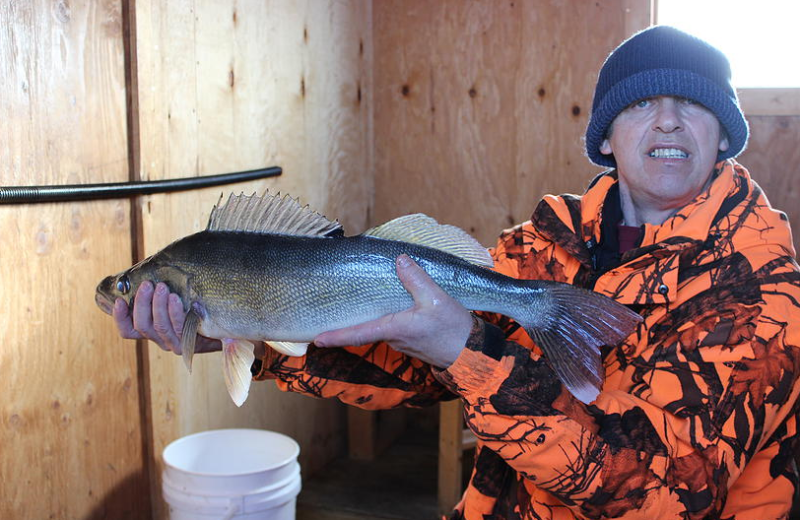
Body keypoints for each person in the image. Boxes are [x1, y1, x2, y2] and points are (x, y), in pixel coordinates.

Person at [113, 26, 800, 519]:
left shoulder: (764, 287)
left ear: (724, 132)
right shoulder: (547, 244)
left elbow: (672, 495)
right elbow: (414, 365)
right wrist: (247, 336)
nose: (669, 123)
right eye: (643, 104)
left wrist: (467, 349)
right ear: (607, 135)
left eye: (693, 105)